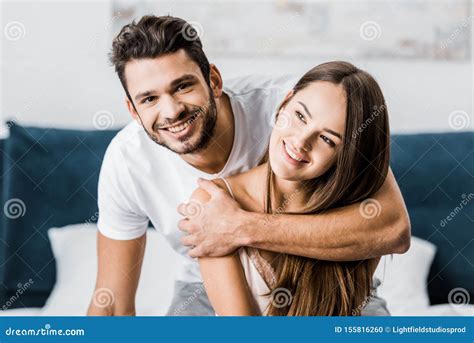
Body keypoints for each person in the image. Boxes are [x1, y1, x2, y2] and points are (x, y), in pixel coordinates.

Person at [87, 15, 410, 317]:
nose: (171, 111)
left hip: (326, 274)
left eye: (182, 86)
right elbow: (111, 301)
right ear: (133, 109)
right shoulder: (128, 161)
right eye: (149, 99)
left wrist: (239, 228)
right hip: (202, 286)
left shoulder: (299, 110)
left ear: (213, 80)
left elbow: (392, 229)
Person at [194, 61, 389, 315]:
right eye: (299, 116)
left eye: (327, 139)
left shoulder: (360, 217)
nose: (300, 141)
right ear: (284, 103)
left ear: (347, 158)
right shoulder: (213, 203)